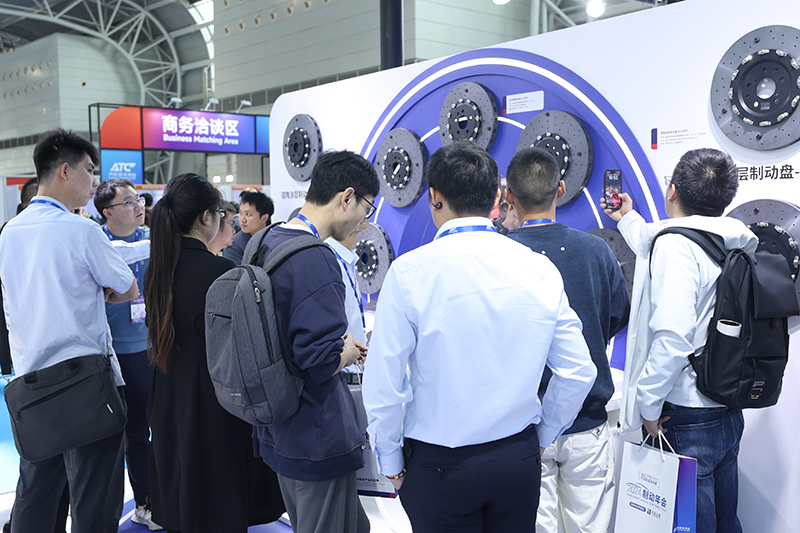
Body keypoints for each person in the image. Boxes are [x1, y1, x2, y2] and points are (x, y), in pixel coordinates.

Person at [363, 141, 596, 533]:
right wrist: (541, 437)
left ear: (434, 197)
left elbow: (384, 384)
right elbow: (578, 372)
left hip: (440, 466)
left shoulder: (409, 273)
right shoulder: (539, 269)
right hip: (517, 457)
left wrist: (391, 463)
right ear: (497, 197)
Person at [606, 148, 756, 533]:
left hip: (685, 414)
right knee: (726, 521)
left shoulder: (675, 247)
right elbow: (652, 238)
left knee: (690, 525)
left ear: (672, 190)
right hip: (725, 404)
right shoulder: (733, 241)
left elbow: (673, 339)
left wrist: (648, 405)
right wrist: (627, 218)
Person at [0, 128, 138, 532]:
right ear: (65, 171)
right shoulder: (82, 230)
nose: (94, 181)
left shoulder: (9, 232)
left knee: (37, 497)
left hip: (32, 386)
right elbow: (128, 288)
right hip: (88, 386)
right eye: (89, 170)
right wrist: (99, 293)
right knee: (94, 500)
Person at [144, 173, 284, 533]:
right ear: (206, 217)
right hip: (214, 398)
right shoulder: (220, 271)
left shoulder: (158, 269)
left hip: (168, 392)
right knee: (218, 499)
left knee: (181, 492)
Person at [251, 150, 377, 533]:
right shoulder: (315, 257)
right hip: (315, 434)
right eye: (367, 209)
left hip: (277, 425)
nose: (364, 222)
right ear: (347, 197)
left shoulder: (264, 239)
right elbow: (320, 359)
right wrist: (349, 350)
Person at [505, 147, 630, 533]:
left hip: (521, 427)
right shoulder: (596, 250)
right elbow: (616, 315)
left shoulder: (499, 256)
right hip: (587, 420)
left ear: (508, 195)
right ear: (561, 189)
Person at [93, 179, 161, 531]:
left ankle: (158, 497)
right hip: (110, 354)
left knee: (156, 429)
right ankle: (141, 502)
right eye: (129, 202)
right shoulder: (96, 243)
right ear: (108, 212)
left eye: (139, 200)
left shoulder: (151, 239)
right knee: (126, 434)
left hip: (151, 349)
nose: (138, 206)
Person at [224, 190, 274, 264]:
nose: (243, 219)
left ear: (264, 218)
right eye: (241, 213)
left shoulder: (275, 239)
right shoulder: (233, 244)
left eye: (248, 214)